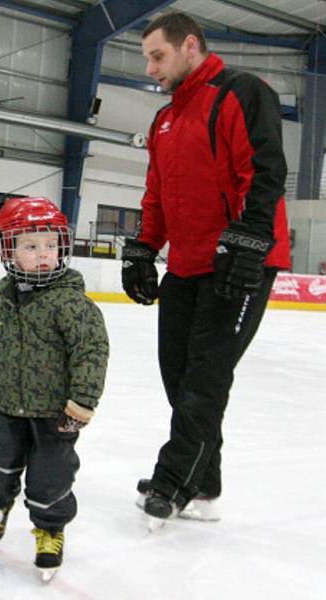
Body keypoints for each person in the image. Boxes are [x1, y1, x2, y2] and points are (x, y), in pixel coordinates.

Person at [123, 12, 291, 525]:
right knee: (177, 371)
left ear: (189, 45)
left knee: (205, 376)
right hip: (187, 264)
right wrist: (144, 247)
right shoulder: (165, 119)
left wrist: (251, 238)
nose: (151, 68)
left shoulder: (240, 92)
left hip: (239, 262)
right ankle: (205, 482)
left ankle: (175, 481)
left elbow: (265, 170)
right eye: (148, 58)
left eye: (158, 55)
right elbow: (158, 193)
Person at [0, 197, 108, 581]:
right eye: (30, 246)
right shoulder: (0, 301)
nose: (44, 255)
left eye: (51, 245)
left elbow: (91, 353)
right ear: (8, 251)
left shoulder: (72, 304)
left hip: (53, 417)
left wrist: (80, 405)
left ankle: (50, 530)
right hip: (7, 408)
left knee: (50, 479)